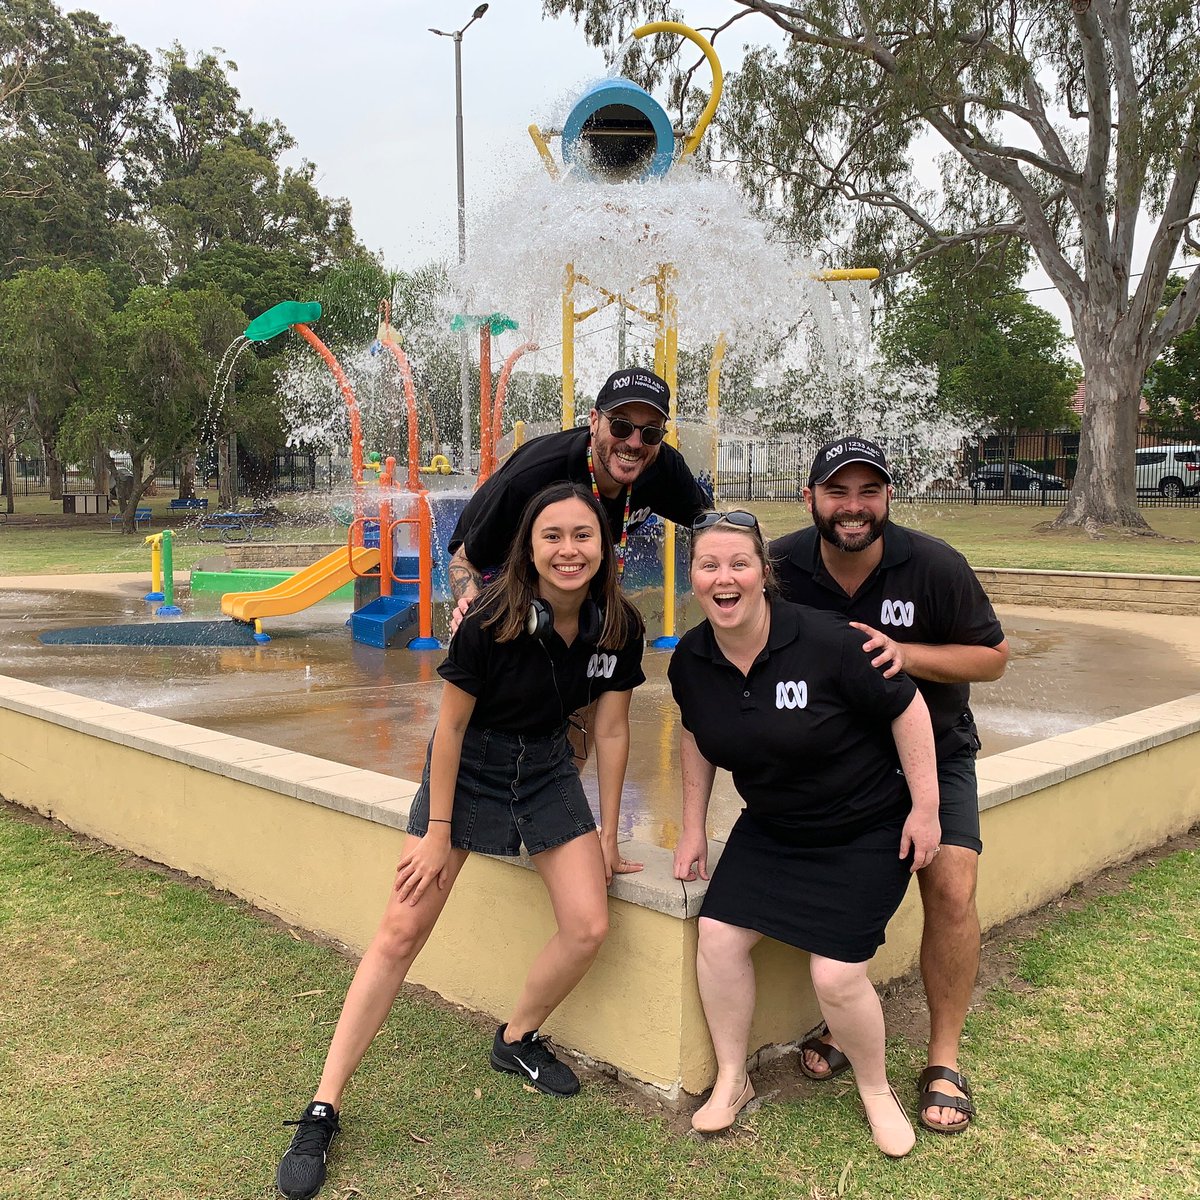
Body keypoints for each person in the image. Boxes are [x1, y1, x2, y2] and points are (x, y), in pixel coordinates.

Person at [274, 483, 647, 1200]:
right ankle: (323, 1107)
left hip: (547, 769)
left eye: (583, 535)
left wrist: (606, 832)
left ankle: (516, 1039)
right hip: (469, 770)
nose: (569, 550)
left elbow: (610, 728)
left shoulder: (618, 626)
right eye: (552, 536)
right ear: (530, 547)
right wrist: (437, 833)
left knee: (588, 925)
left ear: (605, 546)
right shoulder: (492, 618)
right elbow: (447, 729)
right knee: (400, 931)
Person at [670, 510, 941, 1159]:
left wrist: (926, 807)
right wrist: (691, 828)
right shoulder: (691, 659)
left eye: (739, 563)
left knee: (836, 976)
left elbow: (907, 706)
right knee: (717, 938)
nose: (725, 577)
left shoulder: (828, 642)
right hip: (773, 826)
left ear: (763, 572)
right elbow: (695, 734)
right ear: (694, 578)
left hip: (865, 826)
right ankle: (732, 1078)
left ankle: (875, 1089)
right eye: (709, 565)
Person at [770, 436, 1009, 1135]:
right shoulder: (780, 566)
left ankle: (944, 1058)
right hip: (838, 764)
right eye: (837, 492)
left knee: (952, 887)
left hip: (936, 753)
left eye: (868, 492)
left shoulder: (933, 565)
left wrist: (906, 655)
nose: (853, 507)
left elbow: (992, 658)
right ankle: (846, 1024)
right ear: (810, 498)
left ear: (888, 498)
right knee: (840, 883)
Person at [447, 367, 710, 607]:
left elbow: (711, 524)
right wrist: (472, 619)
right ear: (594, 421)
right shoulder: (533, 477)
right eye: (620, 426)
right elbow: (464, 561)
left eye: (651, 432)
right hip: (500, 565)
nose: (634, 443)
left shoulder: (663, 468)